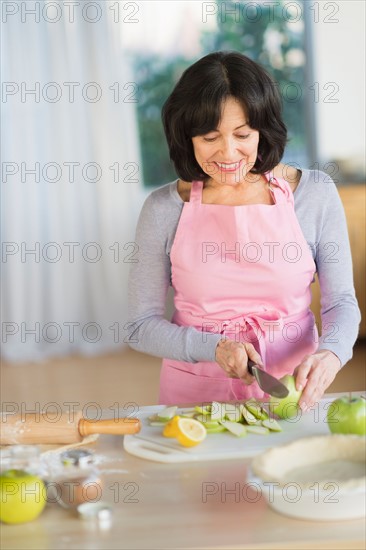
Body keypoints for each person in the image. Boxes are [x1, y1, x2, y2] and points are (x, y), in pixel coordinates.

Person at [128, 51, 361, 409]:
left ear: (262, 131)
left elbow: (342, 303)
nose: (228, 152)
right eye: (209, 137)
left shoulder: (314, 193)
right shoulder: (163, 208)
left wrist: (331, 353)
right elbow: (140, 325)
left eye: (242, 134)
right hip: (194, 399)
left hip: (292, 391)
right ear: (186, 137)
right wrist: (214, 348)